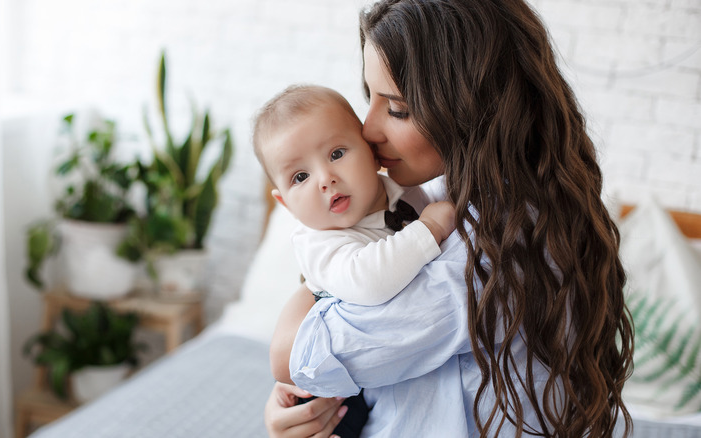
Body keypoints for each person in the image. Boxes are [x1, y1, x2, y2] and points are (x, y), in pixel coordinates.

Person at [264, 0, 634, 437]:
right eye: (370, 98)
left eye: (397, 108)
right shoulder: (444, 196)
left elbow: (292, 356)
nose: (367, 129)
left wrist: (313, 282)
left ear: (472, 109)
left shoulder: (495, 244)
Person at [253, 84, 456, 438]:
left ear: (370, 151)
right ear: (284, 203)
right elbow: (368, 281)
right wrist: (430, 228)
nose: (325, 179)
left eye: (336, 153)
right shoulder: (318, 240)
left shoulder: (405, 190)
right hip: (333, 394)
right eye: (300, 177)